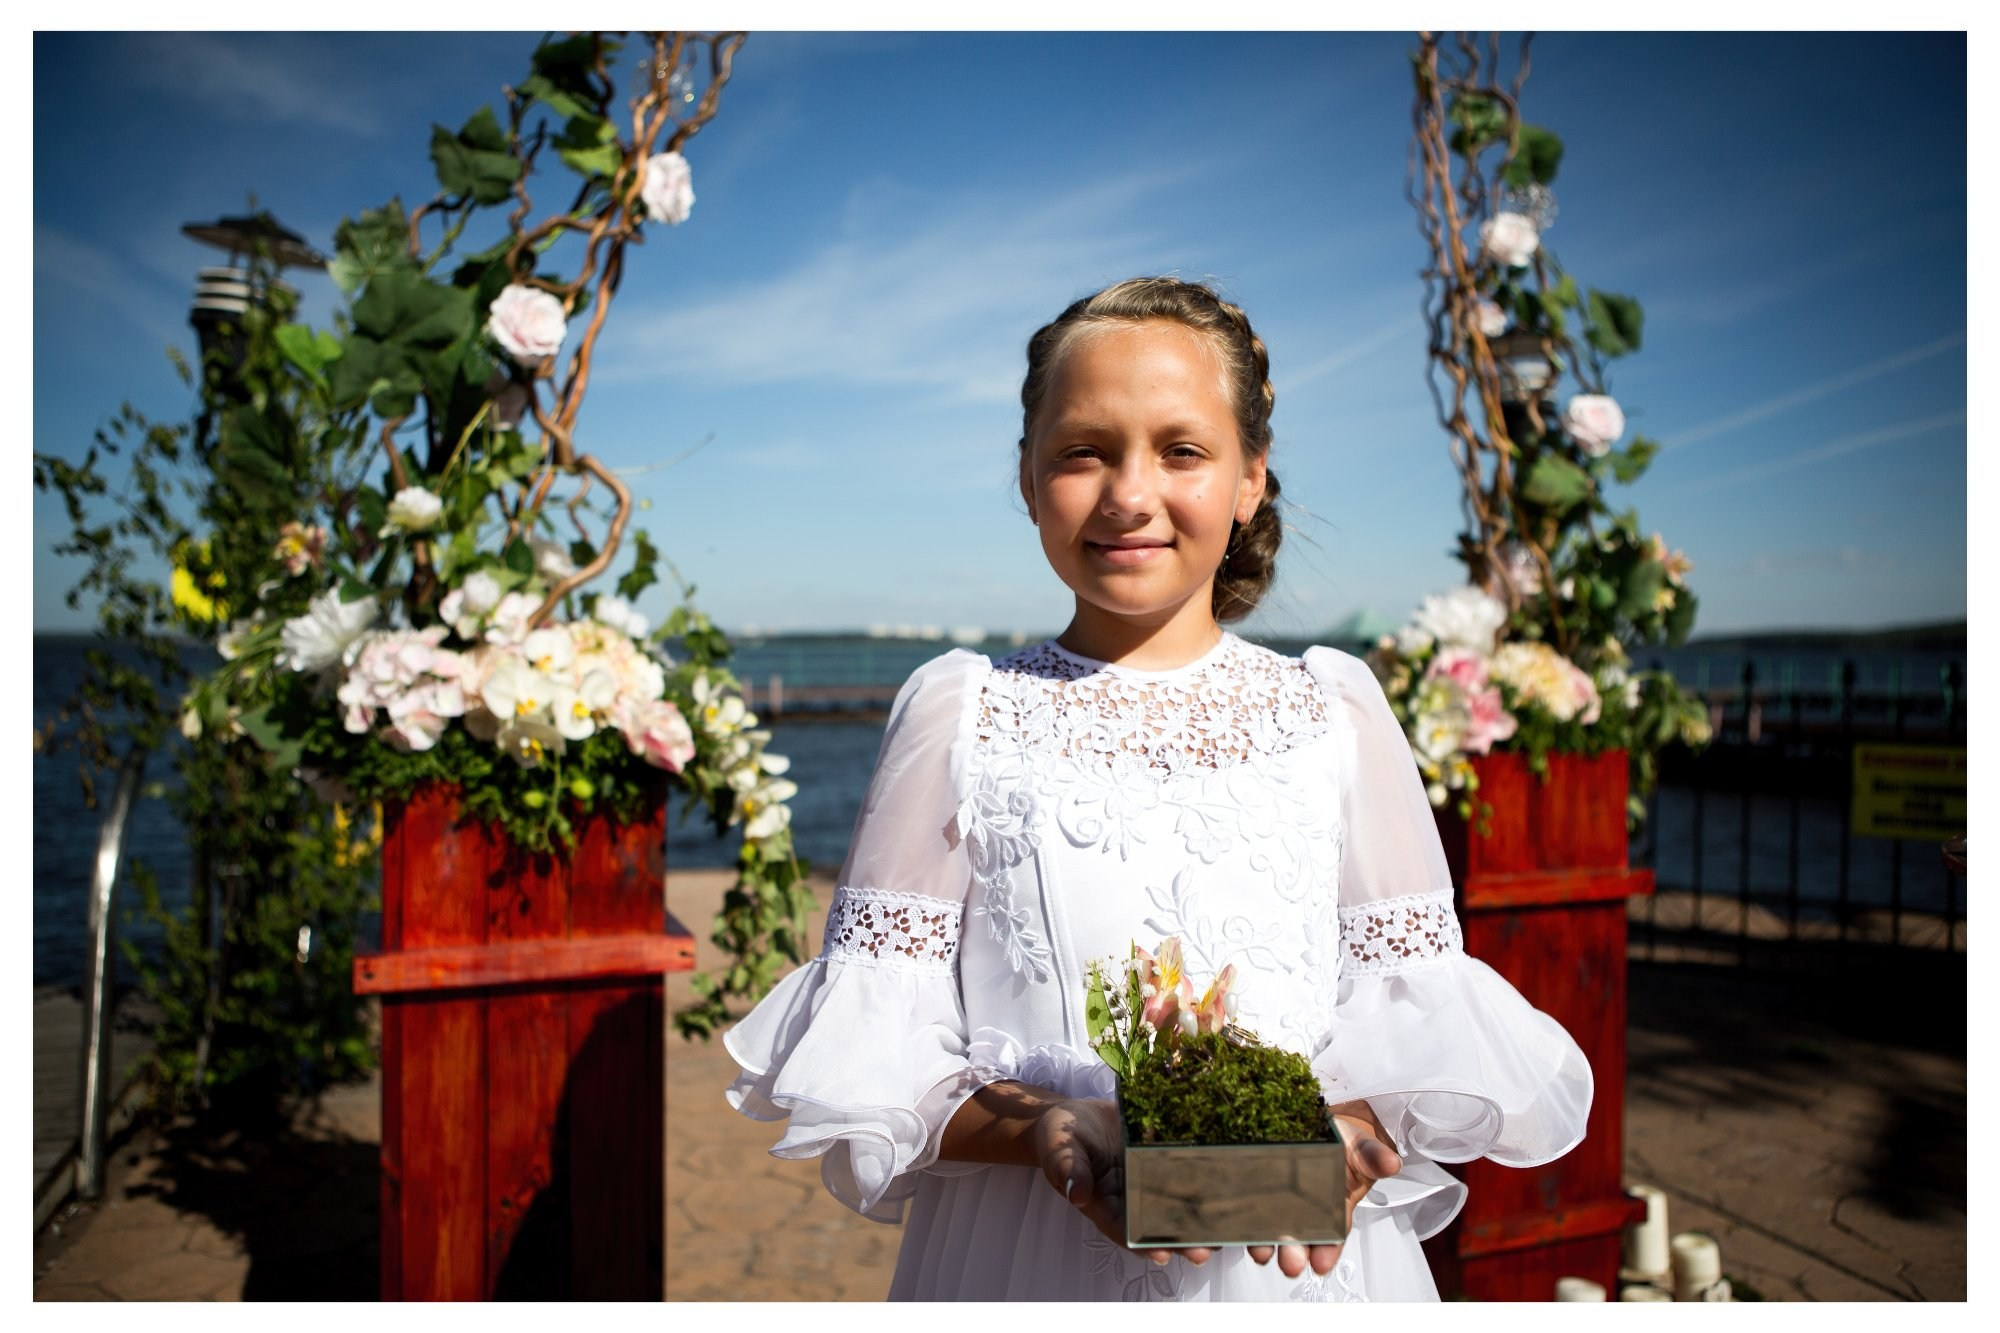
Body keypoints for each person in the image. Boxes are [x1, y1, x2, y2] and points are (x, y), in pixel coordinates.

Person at [723, 277, 1592, 1301]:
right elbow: (880, 1043)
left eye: (1180, 451)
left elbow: (1407, 1011)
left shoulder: (1333, 713)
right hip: (1026, 1263)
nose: (1128, 494)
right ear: (1027, 473)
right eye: (1083, 450)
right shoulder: (964, 711)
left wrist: (1353, 1131)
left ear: (1248, 478)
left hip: (1296, 1282)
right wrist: (1044, 1127)